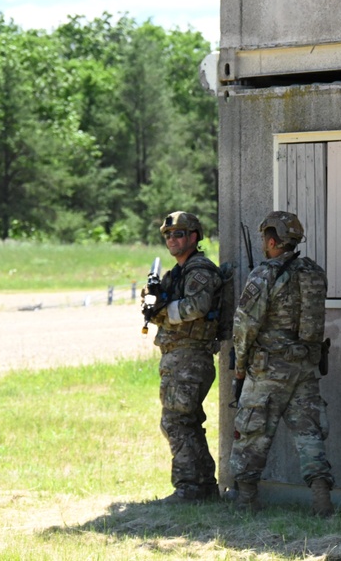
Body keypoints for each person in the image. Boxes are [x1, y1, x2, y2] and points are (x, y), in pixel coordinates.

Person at [229, 211, 335, 515]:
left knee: (251, 432)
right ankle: (321, 500)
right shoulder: (315, 272)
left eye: (265, 238)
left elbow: (245, 324)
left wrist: (240, 366)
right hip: (304, 366)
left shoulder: (263, 274)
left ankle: (246, 500)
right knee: (309, 434)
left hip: (269, 369)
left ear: (273, 240)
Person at [147, 211, 223, 503]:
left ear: (193, 237)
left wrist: (164, 311)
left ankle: (189, 487)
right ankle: (202, 486)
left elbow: (197, 306)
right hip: (178, 355)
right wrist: (153, 304)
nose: (172, 239)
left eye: (179, 234)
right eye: (168, 235)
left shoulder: (199, 271)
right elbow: (158, 311)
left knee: (177, 421)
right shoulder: (176, 273)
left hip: (190, 355)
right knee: (184, 421)